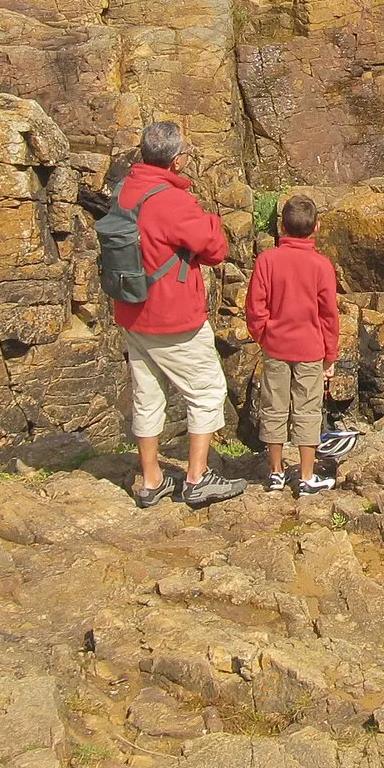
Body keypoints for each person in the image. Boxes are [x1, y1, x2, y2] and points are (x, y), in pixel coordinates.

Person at [110, 122, 245, 508]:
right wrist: (211, 220)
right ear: (176, 159)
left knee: (147, 395)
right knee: (206, 392)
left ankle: (151, 479)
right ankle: (198, 478)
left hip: (133, 311)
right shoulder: (173, 201)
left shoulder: (124, 191)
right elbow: (216, 249)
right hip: (173, 318)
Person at [243, 193, 341, 497]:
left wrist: (264, 334)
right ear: (317, 227)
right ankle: (307, 474)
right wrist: (330, 354)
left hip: (275, 347)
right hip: (310, 349)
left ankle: (275, 472)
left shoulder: (267, 260)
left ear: (281, 226)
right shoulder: (321, 265)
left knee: (273, 408)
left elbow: (255, 307)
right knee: (308, 410)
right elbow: (329, 314)